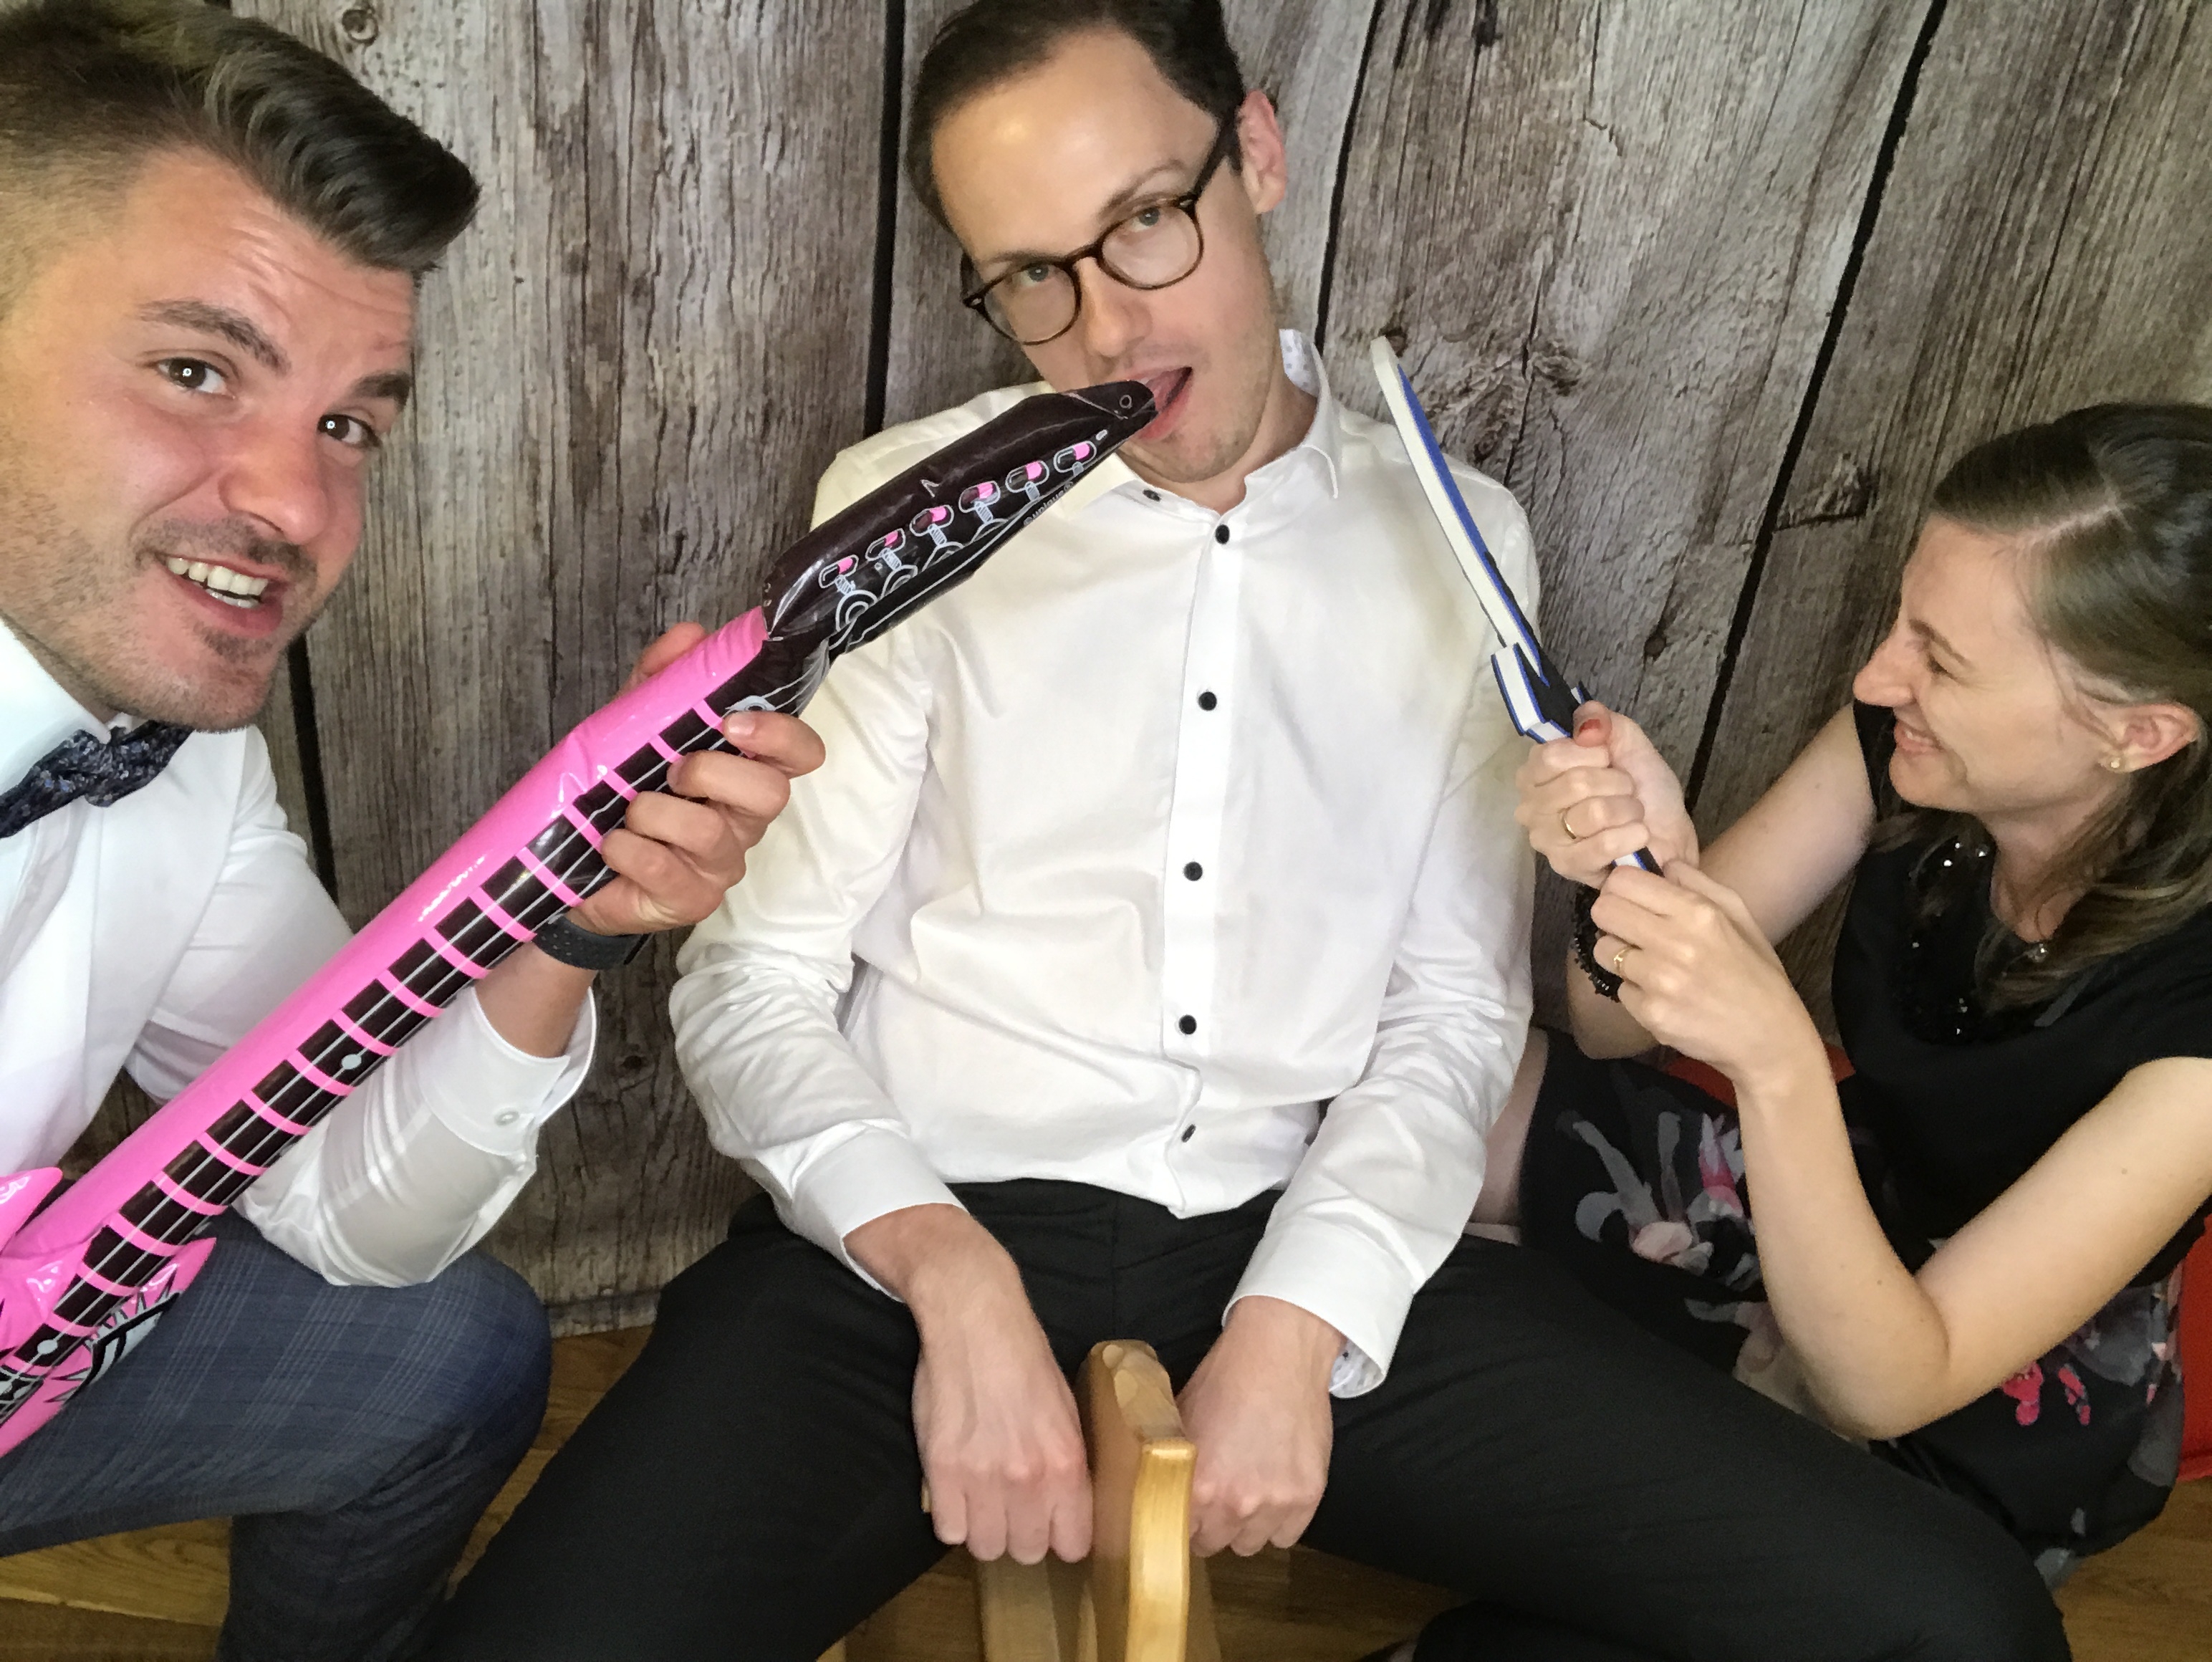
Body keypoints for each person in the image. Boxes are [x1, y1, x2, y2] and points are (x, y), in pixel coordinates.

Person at [429, 4, 2066, 1659]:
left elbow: (1451, 1007)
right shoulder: (898, 510)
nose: (1103, 329)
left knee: (1952, 1624)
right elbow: (753, 982)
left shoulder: (1460, 532)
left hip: (1302, 1238)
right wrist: (947, 1274)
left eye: (1146, 219)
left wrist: (1297, 1320)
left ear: (1258, 156)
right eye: (1029, 277)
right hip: (910, 1243)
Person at [0, 4, 821, 1659]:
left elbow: (342, 1198)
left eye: (349, 424)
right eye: (194, 370)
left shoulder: (184, 763)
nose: (299, 507)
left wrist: (568, 921)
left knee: (450, 1355)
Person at [1490, 403, 2212, 1592]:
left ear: (2137, 734)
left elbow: (1891, 1381)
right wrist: (1634, 872)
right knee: (1457, 1088)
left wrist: (1777, 1060)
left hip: (1992, 1382)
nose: (1880, 677)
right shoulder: (1905, 741)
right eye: (1904, 625)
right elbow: (1614, 1025)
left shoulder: (2195, 1011)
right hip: (1847, 1184)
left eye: (1943, 658)